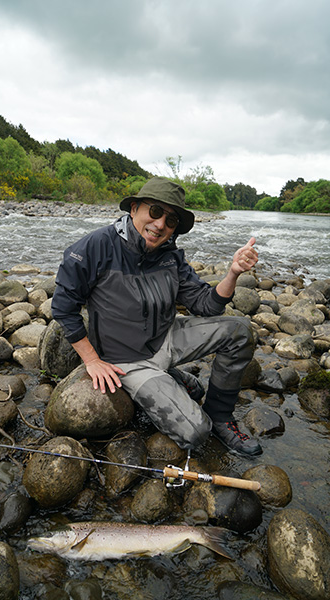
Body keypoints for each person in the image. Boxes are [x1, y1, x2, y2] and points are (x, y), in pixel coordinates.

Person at [51, 177, 262, 456]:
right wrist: (91, 360)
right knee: (197, 433)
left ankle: (220, 416)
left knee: (240, 331)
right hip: (127, 361)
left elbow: (207, 305)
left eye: (171, 220)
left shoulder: (171, 256)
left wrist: (232, 273)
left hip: (166, 338)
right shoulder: (94, 247)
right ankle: (171, 380)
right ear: (134, 208)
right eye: (154, 212)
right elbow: (64, 307)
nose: (160, 224)